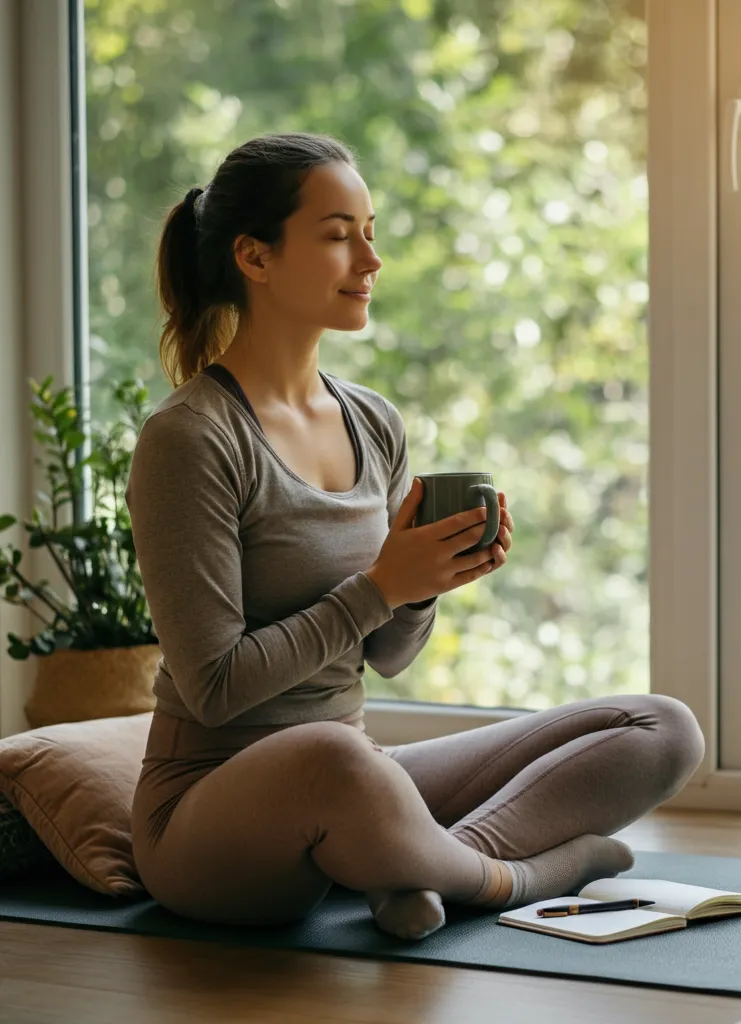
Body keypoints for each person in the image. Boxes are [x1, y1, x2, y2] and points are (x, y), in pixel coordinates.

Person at [126, 131, 706, 941]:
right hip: (211, 812)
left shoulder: (371, 419)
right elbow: (215, 684)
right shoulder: (190, 438)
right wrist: (379, 587)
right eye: (337, 235)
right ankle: (517, 875)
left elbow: (388, 654)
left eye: (370, 231)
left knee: (663, 728)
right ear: (254, 258)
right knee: (338, 761)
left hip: (359, 773)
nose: (370, 259)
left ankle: (418, 867)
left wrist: (425, 582)